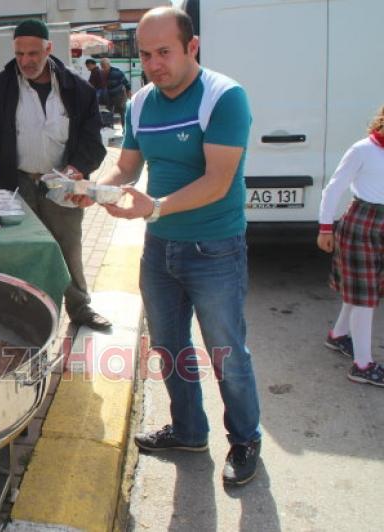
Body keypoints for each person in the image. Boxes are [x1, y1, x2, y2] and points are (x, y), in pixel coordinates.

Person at [74, 7, 262, 485]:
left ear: (191, 47)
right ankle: (188, 430)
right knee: (169, 347)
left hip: (215, 250)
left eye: (164, 53)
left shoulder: (224, 97)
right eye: (145, 54)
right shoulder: (140, 103)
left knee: (226, 352)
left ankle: (244, 440)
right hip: (160, 251)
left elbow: (218, 182)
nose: (155, 64)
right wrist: (97, 188)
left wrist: (153, 207)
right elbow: (127, 167)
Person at [0, 19, 111, 332]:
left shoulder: (77, 89)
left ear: (48, 49)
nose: (26, 61)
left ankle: (80, 308)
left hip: (63, 184)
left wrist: (77, 168)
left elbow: (92, 141)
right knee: (22, 250)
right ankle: (26, 314)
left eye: (33, 53)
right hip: (16, 183)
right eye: (20, 54)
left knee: (67, 245)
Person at [318, 106, 384, 386]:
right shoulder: (362, 150)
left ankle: (338, 335)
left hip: (379, 225)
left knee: (365, 289)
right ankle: (362, 365)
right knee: (365, 297)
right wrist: (324, 228)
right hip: (361, 224)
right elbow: (333, 188)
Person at [100, 57, 131, 127]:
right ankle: (110, 127)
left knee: (122, 112)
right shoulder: (102, 73)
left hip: (119, 96)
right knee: (108, 112)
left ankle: (125, 129)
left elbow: (126, 83)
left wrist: (129, 95)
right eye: (102, 66)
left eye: (104, 66)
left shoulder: (117, 72)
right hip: (110, 97)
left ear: (108, 65)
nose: (103, 68)